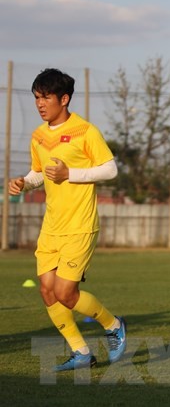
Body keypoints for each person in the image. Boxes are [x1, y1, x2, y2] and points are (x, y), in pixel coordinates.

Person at [8, 68, 126, 371]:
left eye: (46, 97)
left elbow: (110, 169)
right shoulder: (38, 135)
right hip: (52, 226)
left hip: (80, 225)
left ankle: (113, 324)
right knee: (47, 290)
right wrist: (24, 182)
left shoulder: (85, 131)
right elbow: (40, 173)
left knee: (65, 293)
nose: (40, 103)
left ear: (64, 98)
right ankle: (81, 352)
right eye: (36, 97)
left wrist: (70, 174)